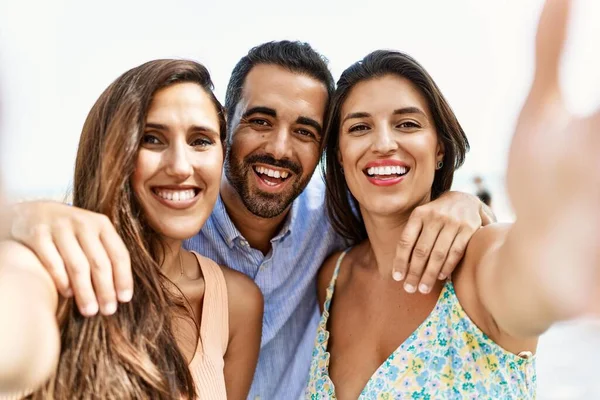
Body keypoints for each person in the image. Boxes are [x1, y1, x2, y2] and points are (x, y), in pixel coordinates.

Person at [6, 42, 495, 399]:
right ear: (226, 128)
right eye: (260, 121)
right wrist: (16, 217)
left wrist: (461, 202)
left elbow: (397, 204)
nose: (280, 149)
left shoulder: (331, 228)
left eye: (304, 131)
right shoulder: (171, 210)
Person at [306, 1, 600, 398]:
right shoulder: (333, 277)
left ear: (440, 148)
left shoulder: (478, 262)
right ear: (339, 155)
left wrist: (554, 228)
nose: (384, 143)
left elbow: (531, 278)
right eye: (360, 127)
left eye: (407, 124)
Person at [0, 59, 263, 399]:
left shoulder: (236, 302)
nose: (181, 167)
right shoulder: (58, 270)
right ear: (113, 152)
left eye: (200, 141)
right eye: (152, 139)